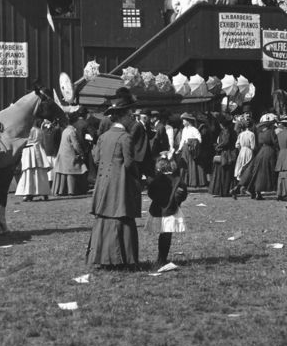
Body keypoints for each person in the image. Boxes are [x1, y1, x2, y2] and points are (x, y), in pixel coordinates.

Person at [87, 93, 142, 268]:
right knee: (121, 218)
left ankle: (103, 258)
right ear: (122, 116)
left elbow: (96, 159)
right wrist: (138, 177)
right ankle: (122, 259)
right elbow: (129, 163)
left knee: (104, 218)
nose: (131, 118)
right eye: (130, 115)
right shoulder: (125, 137)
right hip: (120, 185)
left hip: (103, 184)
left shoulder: (103, 137)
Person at [145, 154, 188, 269]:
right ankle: (162, 258)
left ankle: (161, 258)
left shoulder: (156, 180)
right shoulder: (178, 179)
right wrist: (177, 201)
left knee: (163, 234)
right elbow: (183, 193)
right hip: (172, 209)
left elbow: (151, 193)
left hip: (159, 210)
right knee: (167, 235)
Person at [15, 119, 53, 202]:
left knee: (29, 173)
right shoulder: (40, 131)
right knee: (40, 173)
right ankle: (44, 193)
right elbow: (43, 143)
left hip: (28, 151)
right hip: (38, 150)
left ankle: (28, 193)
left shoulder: (26, 130)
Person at [52, 111, 89, 196]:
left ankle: (62, 190)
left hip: (63, 154)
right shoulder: (72, 132)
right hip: (69, 155)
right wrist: (81, 153)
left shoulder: (65, 130)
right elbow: (76, 145)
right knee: (74, 171)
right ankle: (72, 190)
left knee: (64, 172)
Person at [174, 113, 206, 188]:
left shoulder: (194, 130)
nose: (183, 122)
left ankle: (193, 182)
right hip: (185, 149)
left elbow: (199, 140)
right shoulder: (184, 130)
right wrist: (179, 149)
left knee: (192, 165)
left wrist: (191, 142)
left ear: (188, 121)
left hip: (192, 150)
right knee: (184, 165)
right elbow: (182, 140)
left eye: (184, 121)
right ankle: (185, 181)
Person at [209, 114, 236, 197]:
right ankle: (224, 190)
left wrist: (217, 147)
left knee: (224, 172)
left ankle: (224, 191)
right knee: (225, 173)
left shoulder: (226, 131)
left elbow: (225, 142)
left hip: (226, 153)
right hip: (227, 152)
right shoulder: (228, 131)